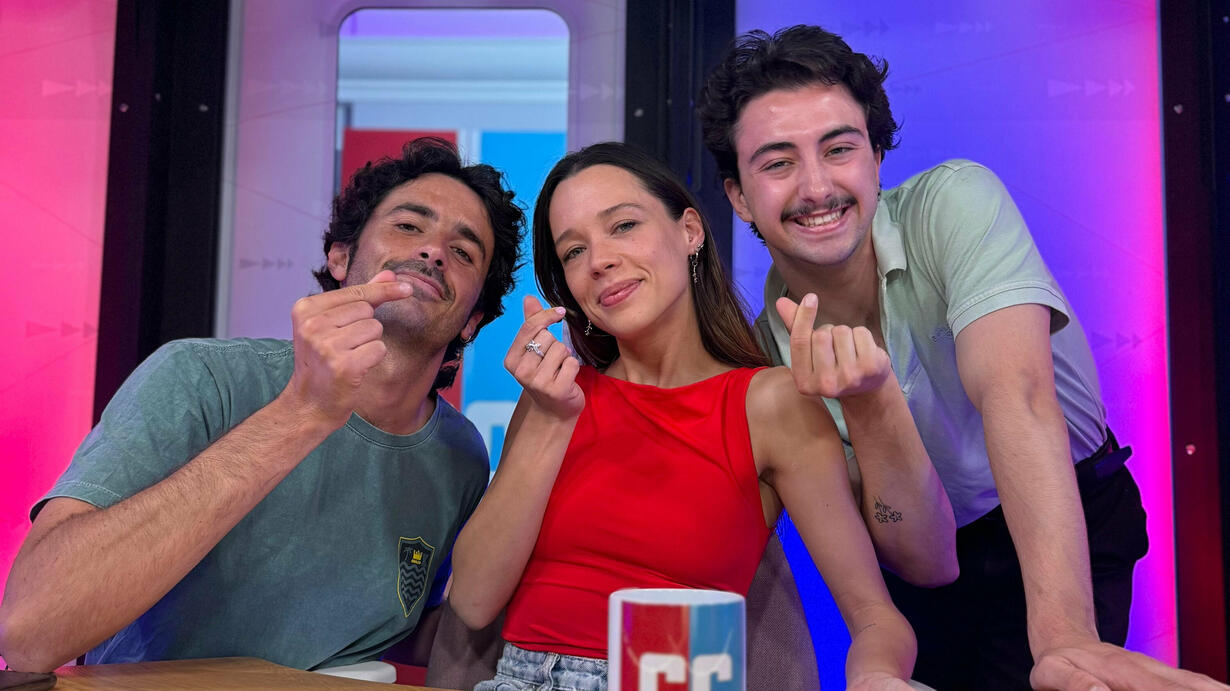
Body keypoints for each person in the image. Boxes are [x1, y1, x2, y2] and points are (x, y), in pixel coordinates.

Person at [697, 24, 1225, 691]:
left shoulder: (955, 203)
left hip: (1065, 509)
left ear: (876, 158)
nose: (816, 185)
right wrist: (871, 404)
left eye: (839, 149)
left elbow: (1019, 397)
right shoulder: (766, 357)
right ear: (739, 197)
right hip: (933, 566)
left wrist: (1062, 636)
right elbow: (924, 559)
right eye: (777, 163)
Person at [0, 137, 524, 673]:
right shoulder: (200, 378)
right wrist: (304, 411)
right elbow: (29, 632)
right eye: (409, 226)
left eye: (464, 252)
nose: (433, 252)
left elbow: (403, 630)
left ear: (472, 320)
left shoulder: (460, 456)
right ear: (341, 257)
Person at [447, 142, 947, 690]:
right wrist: (550, 419)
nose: (599, 261)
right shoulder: (553, 396)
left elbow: (875, 616)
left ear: (689, 231)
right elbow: (472, 601)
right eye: (573, 251)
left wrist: (876, 676)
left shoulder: (770, 404)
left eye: (623, 226)